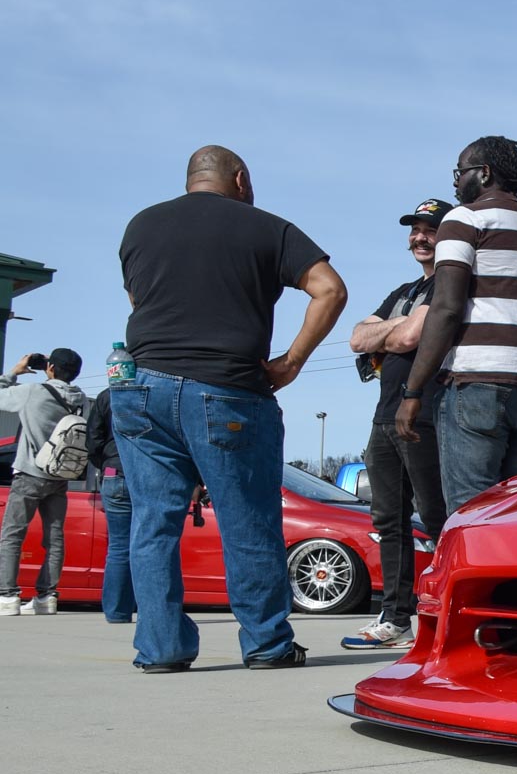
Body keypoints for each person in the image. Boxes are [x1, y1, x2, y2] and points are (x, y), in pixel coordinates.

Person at [115, 145, 347, 672]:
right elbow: (330, 290)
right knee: (248, 521)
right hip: (227, 390)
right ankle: (266, 643)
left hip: (141, 389)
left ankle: (161, 648)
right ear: (239, 179)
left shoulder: (140, 227)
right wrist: (291, 362)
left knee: (153, 524)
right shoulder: (266, 227)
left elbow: (138, 302)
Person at [395, 137, 517, 514]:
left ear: (484, 173)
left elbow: (445, 309)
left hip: (478, 381)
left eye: (460, 173)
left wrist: (412, 389)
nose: (456, 183)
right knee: (516, 514)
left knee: (470, 512)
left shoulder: (466, 219)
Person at [341, 199, 454, 650]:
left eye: (430, 229)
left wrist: (388, 334)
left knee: (437, 517)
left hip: (423, 414)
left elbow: (409, 337)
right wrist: (394, 329)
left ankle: (446, 612)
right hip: (383, 417)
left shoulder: (450, 284)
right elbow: (355, 337)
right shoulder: (405, 291)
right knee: (389, 520)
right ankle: (394, 618)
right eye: (415, 230)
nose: (420, 237)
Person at [0, 349, 87, 616]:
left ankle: (7, 597)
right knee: (54, 537)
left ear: (49, 368)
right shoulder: (79, 397)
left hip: (29, 473)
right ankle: (47, 597)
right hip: (59, 476)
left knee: (12, 535)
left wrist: (14, 372)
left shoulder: (34, 391)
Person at [86, 386, 134, 623]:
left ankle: (117, 613)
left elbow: (93, 442)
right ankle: (154, 612)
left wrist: (105, 464)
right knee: (155, 543)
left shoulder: (108, 395)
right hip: (150, 474)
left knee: (119, 547)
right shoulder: (156, 388)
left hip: (115, 472)